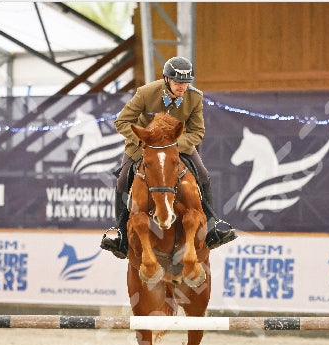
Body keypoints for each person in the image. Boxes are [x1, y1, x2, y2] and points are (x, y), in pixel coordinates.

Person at [100, 56, 237, 259]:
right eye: (177, 82)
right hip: (143, 147)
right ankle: (120, 232)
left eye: (185, 82)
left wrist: (171, 145)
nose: (182, 87)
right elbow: (122, 122)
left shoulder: (195, 98)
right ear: (166, 79)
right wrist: (144, 141)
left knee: (203, 175)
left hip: (178, 147)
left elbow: (197, 132)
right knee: (122, 180)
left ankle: (212, 225)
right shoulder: (146, 93)